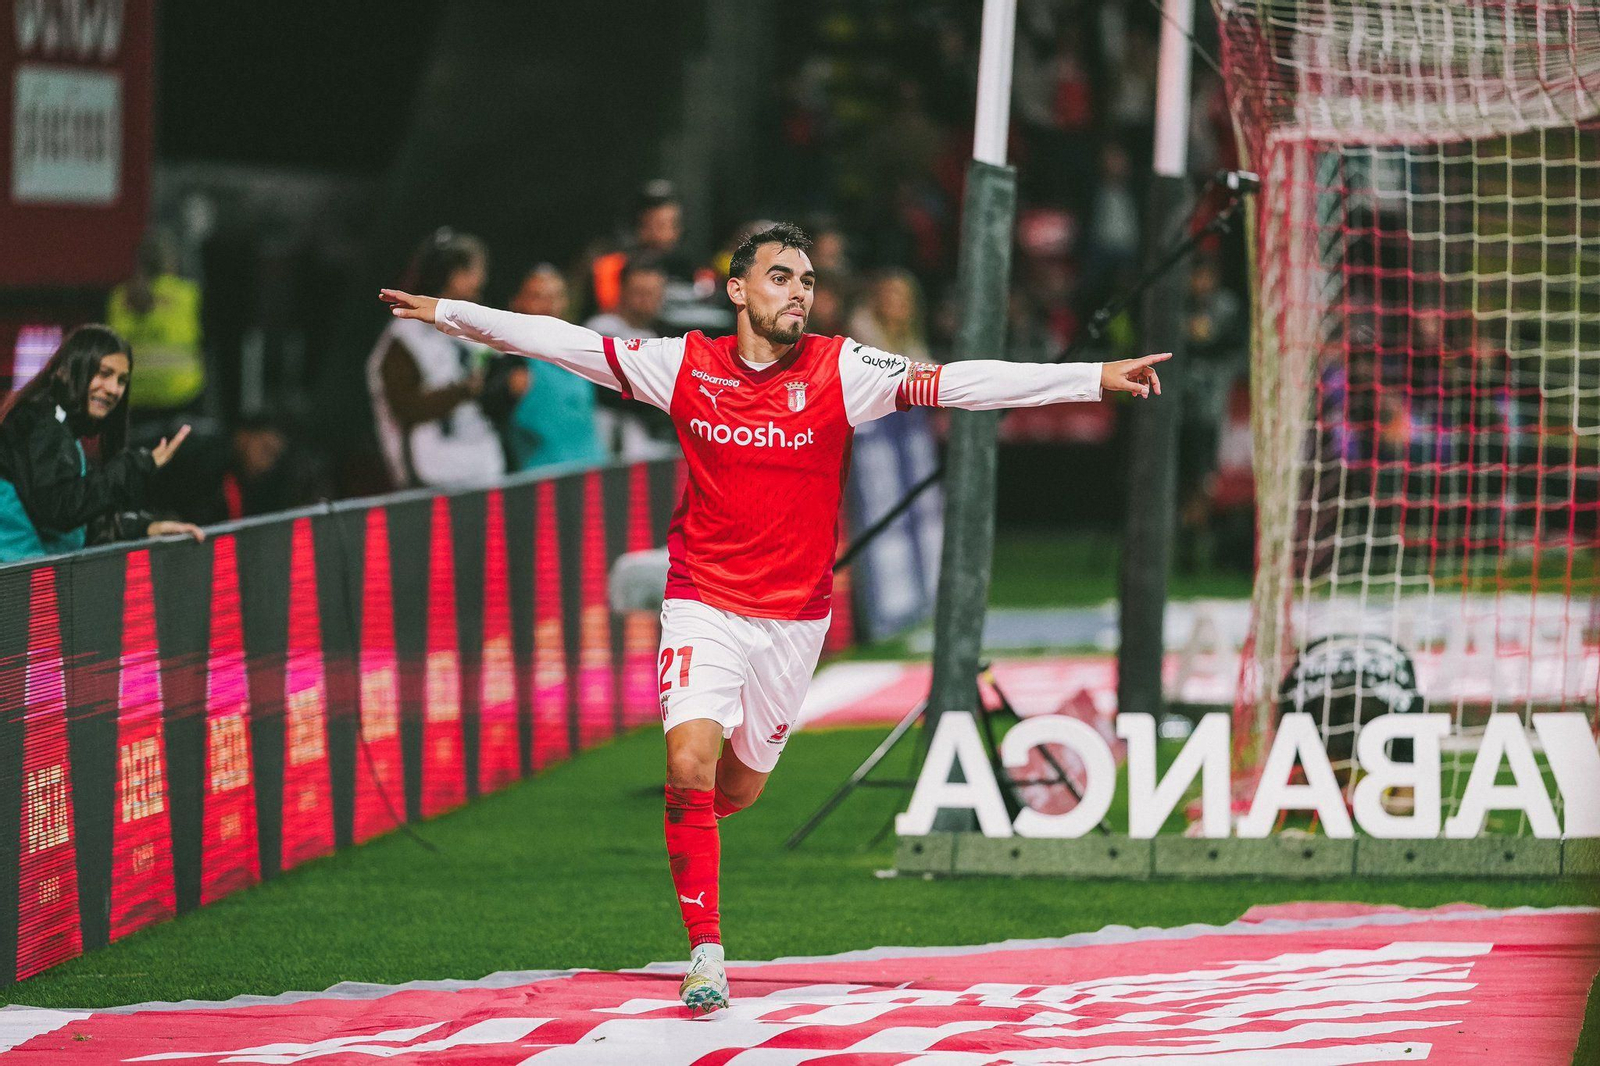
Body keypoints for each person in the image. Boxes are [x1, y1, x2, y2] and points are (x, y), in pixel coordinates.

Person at [380, 222, 1168, 1015]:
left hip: (794, 620)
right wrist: (449, 312)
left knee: (737, 788)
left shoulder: (844, 367)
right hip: (702, 602)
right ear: (738, 290)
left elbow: (959, 381)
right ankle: (707, 956)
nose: (799, 292)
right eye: (782, 278)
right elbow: (563, 342)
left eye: (806, 281)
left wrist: (1092, 377)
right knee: (688, 763)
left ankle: (695, 831)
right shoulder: (684, 364)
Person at [0, 325, 202, 563]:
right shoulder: (41, 423)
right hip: (14, 585)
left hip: (29, 582)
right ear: (72, 369)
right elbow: (60, 511)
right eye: (104, 374)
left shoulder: (58, 428)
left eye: (122, 380)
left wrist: (144, 528)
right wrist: (133, 465)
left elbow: (73, 525)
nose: (113, 389)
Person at [366, 229, 505, 488]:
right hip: (431, 475)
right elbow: (404, 407)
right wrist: (462, 391)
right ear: (451, 275)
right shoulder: (404, 337)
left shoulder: (473, 327)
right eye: (474, 271)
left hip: (482, 468)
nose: (482, 279)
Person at [488, 265, 606, 471]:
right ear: (516, 302)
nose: (549, 305)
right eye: (538, 296)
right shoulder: (509, 363)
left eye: (557, 296)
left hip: (594, 476)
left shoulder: (584, 349)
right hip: (541, 487)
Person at [584, 256, 676, 458]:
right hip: (603, 436)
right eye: (639, 292)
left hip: (648, 441)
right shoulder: (600, 329)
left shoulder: (664, 338)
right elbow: (609, 389)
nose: (646, 300)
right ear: (623, 291)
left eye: (653, 293)